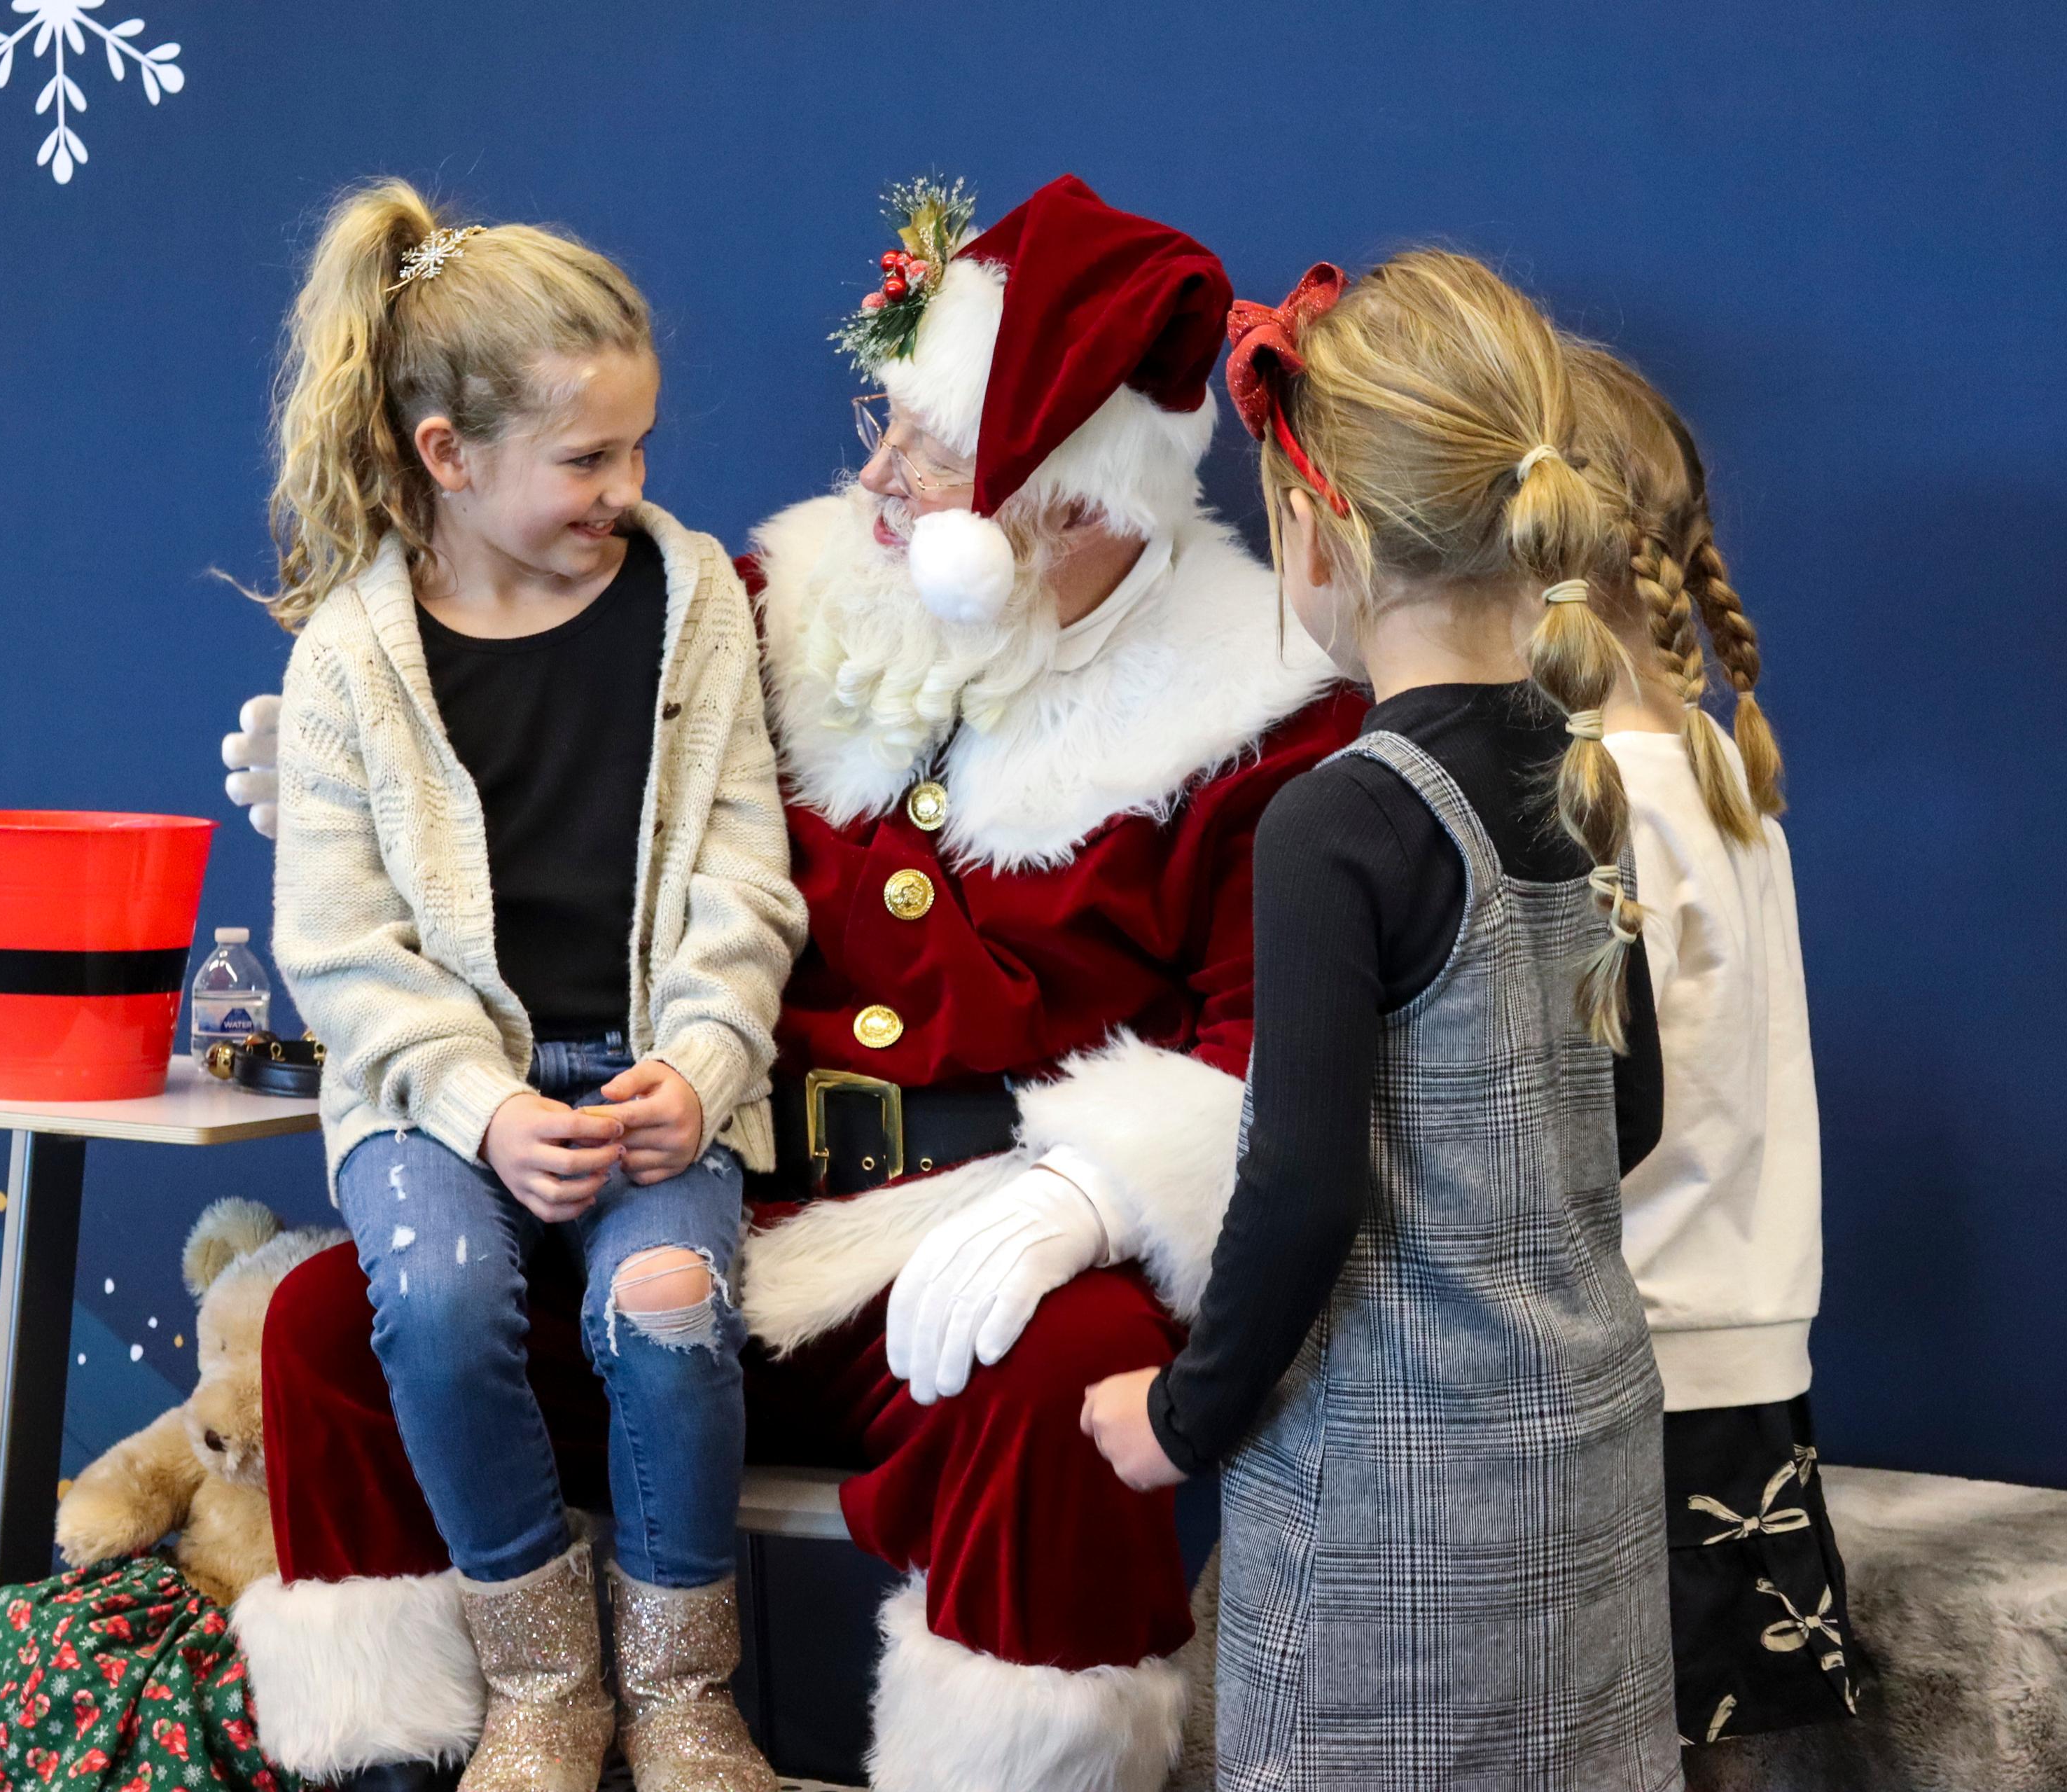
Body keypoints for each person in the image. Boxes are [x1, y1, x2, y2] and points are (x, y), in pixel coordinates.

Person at [222, 175, 1371, 1792]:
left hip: (969, 1260)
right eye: (883, 419)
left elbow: (1272, 1071)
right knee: (334, 1321)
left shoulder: (1254, 712)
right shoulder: (769, 601)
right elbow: (563, 782)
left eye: (931, 443)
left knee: (1069, 1371)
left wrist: (1093, 1196)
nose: (878, 472)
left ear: (1070, 492)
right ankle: (417, 1757)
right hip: (705, 1195)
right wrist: (369, 787)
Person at [1080, 252, 1680, 1788]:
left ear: (1320, 528)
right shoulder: (1582, 770)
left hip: (1397, 1508)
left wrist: (1184, 1410)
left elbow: (1301, 1189)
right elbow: (1630, 1119)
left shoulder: (1335, 819)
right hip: (1590, 1457)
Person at [245, 179, 804, 1792]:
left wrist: (699, 1058)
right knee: (430, 1298)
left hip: (649, 1074)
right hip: (438, 1094)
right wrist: (488, 1107)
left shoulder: (688, 600)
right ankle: (545, 1675)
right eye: (584, 459)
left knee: (673, 1306)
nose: (624, 489)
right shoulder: (348, 661)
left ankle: (686, 1693)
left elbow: (743, 874)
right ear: (448, 455)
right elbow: (344, 947)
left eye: (638, 448)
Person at [1568, 343, 1858, 1746]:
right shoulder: (1726, 771)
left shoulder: (1594, 802)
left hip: (1635, 1381)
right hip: (1747, 1370)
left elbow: (1601, 1124)